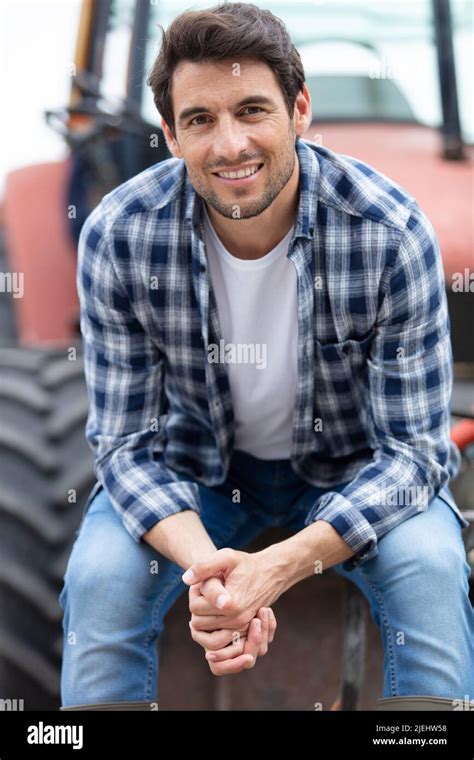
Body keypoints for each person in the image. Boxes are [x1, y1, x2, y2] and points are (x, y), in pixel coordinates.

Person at [60, 2, 473, 711]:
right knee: (101, 583)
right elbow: (124, 446)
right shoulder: (119, 237)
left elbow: (415, 454)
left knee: (432, 570)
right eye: (199, 120)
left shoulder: (389, 231)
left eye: (252, 110)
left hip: (357, 470)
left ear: (300, 110)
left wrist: (278, 568)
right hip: (195, 478)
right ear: (170, 133)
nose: (229, 145)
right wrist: (213, 574)